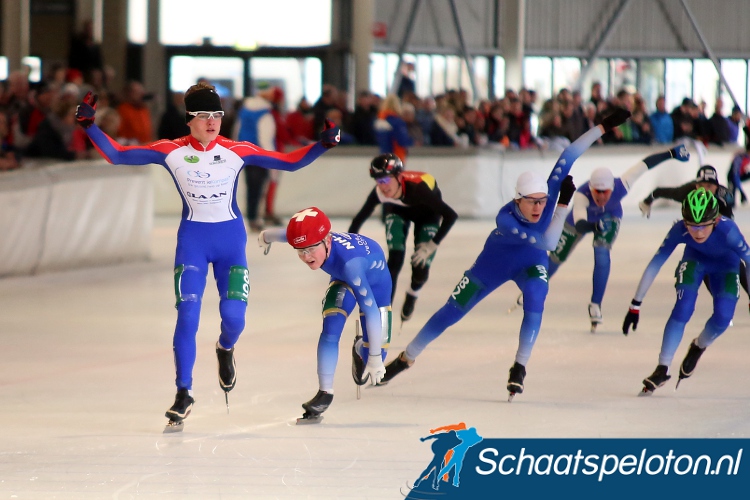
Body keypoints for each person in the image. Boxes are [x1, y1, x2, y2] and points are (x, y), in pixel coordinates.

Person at [74, 82, 340, 429]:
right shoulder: (171, 151)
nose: (212, 122)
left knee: (234, 319)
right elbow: (119, 154)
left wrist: (322, 145)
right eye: (203, 116)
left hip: (230, 244)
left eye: (217, 115)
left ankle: (225, 347)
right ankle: (183, 392)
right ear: (189, 120)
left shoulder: (237, 150)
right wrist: (89, 127)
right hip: (193, 243)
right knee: (187, 315)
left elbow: (288, 162)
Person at [378, 107, 632, 400]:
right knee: (451, 311)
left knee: (537, 296)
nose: (538, 208)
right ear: (517, 200)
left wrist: (601, 127)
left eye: (542, 202)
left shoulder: (548, 191)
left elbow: (571, 153)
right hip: (493, 264)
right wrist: (562, 207)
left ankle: (519, 367)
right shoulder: (506, 220)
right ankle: (406, 358)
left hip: (531, 263)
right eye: (532, 203)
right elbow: (549, 243)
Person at [257, 207, 391, 422]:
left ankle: (361, 350)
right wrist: (266, 237)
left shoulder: (351, 265)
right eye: (299, 250)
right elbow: (284, 234)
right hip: (342, 279)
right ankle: (324, 392)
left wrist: (375, 357)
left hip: (375, 288)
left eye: (310, 249)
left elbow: (371, 310)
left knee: (374, 359)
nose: (305, 256)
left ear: (328, 241)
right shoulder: (311, 241)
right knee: (331, 327)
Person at [544, 144, 690, 331]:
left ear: (613, 188)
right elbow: (580, 223)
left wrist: (671, 153)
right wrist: (593, 226)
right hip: (583, 221)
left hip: (609, 217)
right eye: (597, 192)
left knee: (601, 253)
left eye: (605, 192)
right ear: (591, 188)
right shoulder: (582, 195)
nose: (602, 197)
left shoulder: (623, 184)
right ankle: (537, 285)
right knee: (556, 257)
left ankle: (595, 304)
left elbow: (645, 164)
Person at [622, 188, 750, 395]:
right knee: (683, 307)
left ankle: (698, 346)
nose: (698, 232)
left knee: (723, 317)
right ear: (684, 221)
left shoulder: (729, 232)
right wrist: (635, 304)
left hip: (726, 266)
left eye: (703, 226)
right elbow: (656, 263)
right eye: (692, 226)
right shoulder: (679, 229)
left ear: (716, 221)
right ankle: (662, 367)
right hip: (695, 261)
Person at [348, 153, 458, 322]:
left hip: (428, 215)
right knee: (394, 260)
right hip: (399, 212)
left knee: (420, 268)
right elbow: (358, 220)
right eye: (378, 181)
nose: (383, 187)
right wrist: (349, 251)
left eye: (385, 180)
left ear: (399, 176)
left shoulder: (418, 189)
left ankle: (413, 294)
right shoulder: (380, 192)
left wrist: (432, 244)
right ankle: (383, 315)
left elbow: (451, 215)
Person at [727, 130, 750, 207]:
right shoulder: (739, 158)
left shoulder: (747, 157)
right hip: (733, 175)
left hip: (740, 175)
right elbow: (735, 174)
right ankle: (731, 203)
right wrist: (741, 191)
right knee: (733, 188)